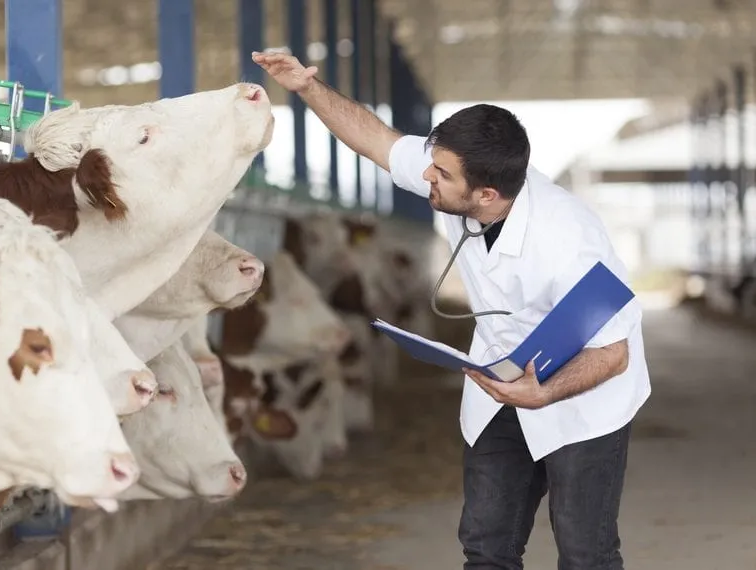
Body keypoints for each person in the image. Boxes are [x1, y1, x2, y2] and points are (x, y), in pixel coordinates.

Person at [252, 50, 651, 570]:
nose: (426, 177)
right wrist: (306, 88)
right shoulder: (458, 178)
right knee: (486, 547)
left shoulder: (570, 240)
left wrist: (545, 391)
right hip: (498, 380)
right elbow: (375, 139)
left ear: (486, 193)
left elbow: (613, 352)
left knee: (585, 552)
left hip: (581, 398)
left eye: (439, 172)